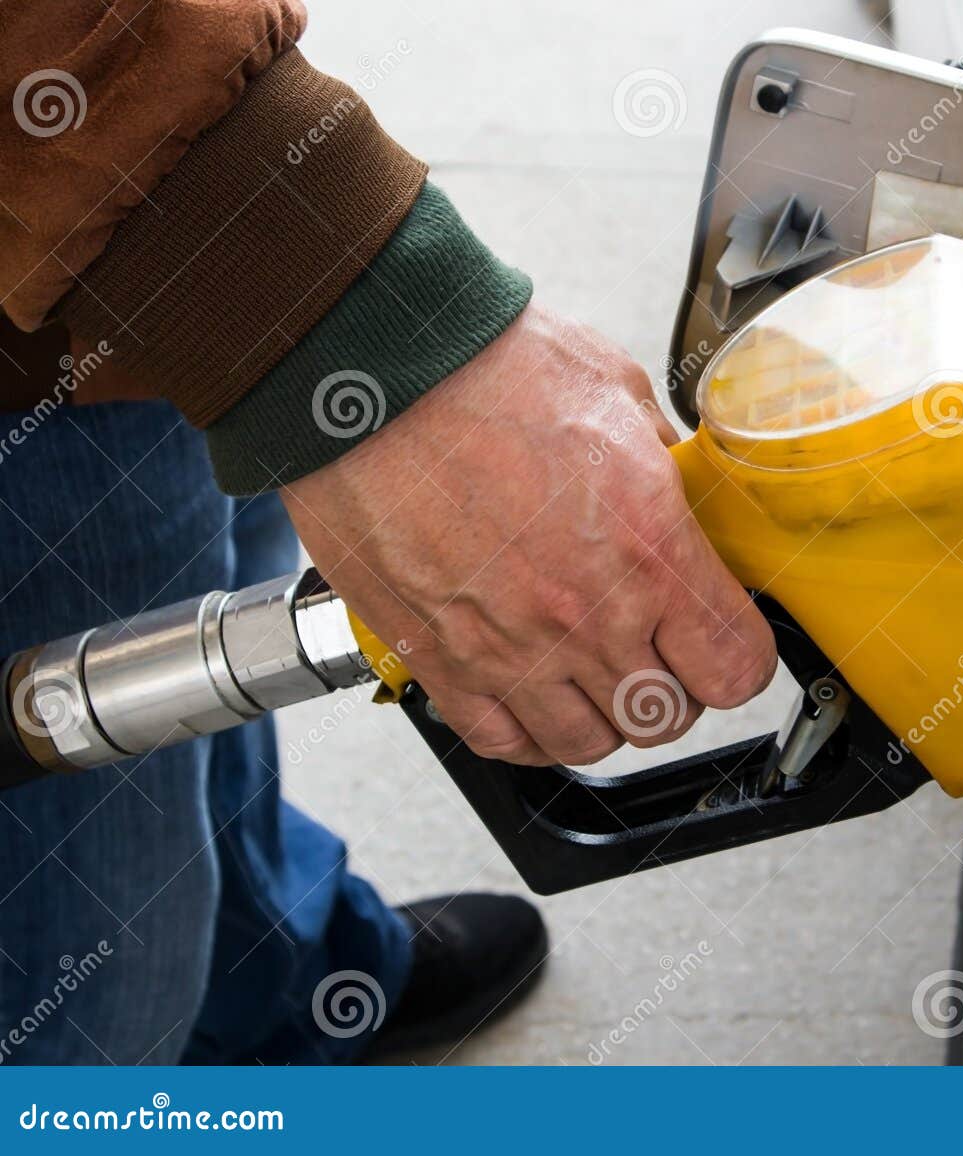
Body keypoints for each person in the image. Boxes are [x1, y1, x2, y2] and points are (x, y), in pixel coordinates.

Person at [0, 0, 776, 1063]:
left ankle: (263, 976)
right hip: (66, 218)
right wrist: (328, 302)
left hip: (114, 220)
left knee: (222, 563)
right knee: (86, 953)